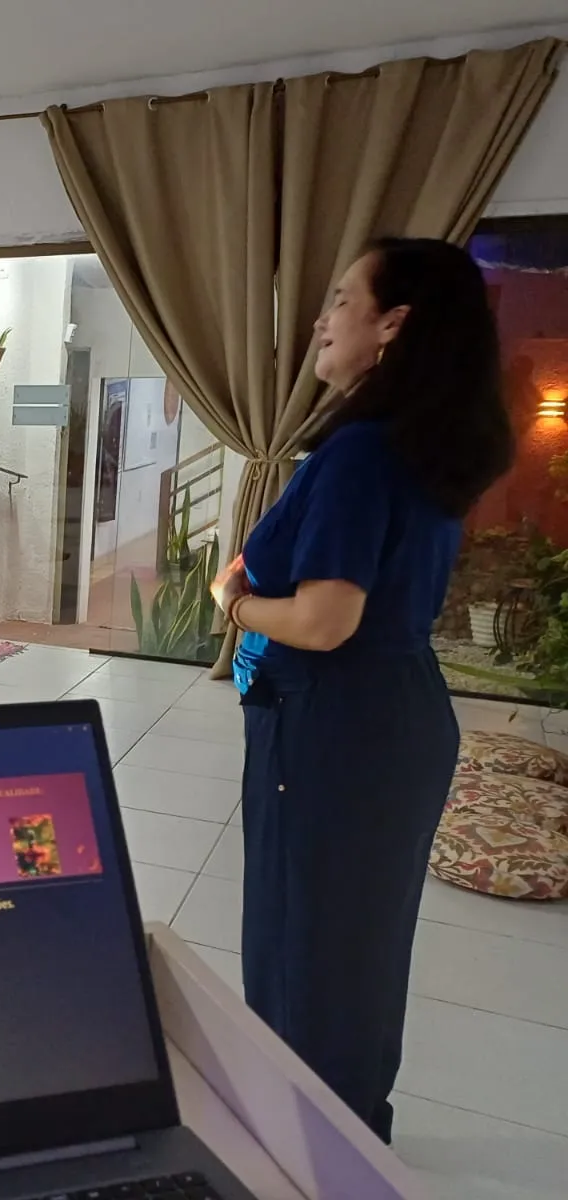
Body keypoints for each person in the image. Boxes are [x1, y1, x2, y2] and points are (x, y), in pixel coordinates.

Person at [210, 238, 513, 1143]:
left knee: (303, 945)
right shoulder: (423, 451)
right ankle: (352, 1133)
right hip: (400, 713)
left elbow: (325, 619)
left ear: (393, 324)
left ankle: (306, 1149)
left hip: (333, 725)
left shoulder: (359, 455)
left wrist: (235, 603)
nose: (321, 319)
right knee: (364, 946)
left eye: (342, 298)